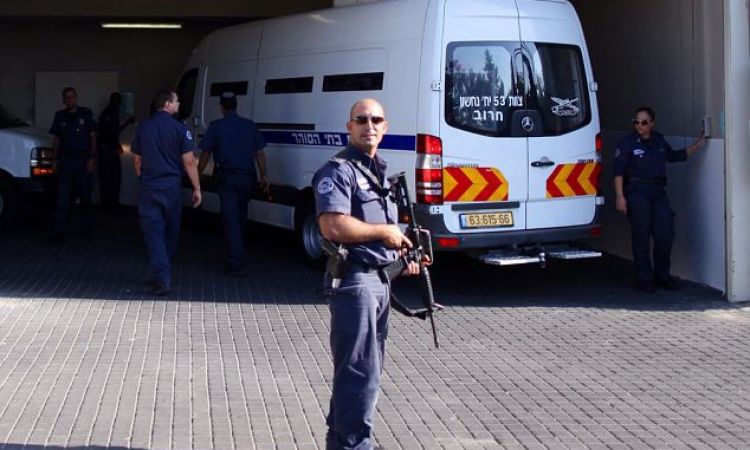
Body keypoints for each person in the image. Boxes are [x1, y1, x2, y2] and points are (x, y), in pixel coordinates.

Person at [313, 98, 422, 450]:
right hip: (355, 284)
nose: (369, 126)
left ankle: (341, 442)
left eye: (376, 120)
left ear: (385, 127)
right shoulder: (338, 171)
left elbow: (380, 235)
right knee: (359, 373)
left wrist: (402, 255)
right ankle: (355, 444)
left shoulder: (377, 172)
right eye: (361, 120)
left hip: (379, 281)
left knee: (364, 372)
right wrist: (384, 232)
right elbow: (333, 226)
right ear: (349, 127)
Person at [613, 106, 706, 292]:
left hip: (657, 192)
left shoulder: (659, 140)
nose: (639, 125)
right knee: (641, 236)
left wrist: (698, 144)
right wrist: (620, 197)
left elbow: (674, 156)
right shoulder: (626, 143)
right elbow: (618, 173)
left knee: (665, 234)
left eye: (644, 122)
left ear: (652, 123)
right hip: (637, 192)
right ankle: (644, 278)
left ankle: (662, 274)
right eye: (636, 122)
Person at [131, 89, 201, 295]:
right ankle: (163, 271)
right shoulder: (180, 128)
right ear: (167, 104)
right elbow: (189, 161)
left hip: (150, 187)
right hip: (172, 188)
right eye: (176, 101)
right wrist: (197, 188)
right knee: (171, 229)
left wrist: (142, 178)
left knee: (153, 232)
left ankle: (161, 273)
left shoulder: (143, 127)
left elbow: (137, 160)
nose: (179, 104)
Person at [197, 92, 268, 276]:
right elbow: (259, 153)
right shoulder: (249, 125)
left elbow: (205, 153)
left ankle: (236, 263)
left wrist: (197, 174)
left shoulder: (216, 126)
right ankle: (237, 254)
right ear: (236, 105)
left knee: (231, 220)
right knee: (240, 217)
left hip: (227, 179)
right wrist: (264, 176)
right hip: (247, 179)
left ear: (221, 107)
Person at [49, 87, 97, 242]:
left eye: (72, 97)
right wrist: (54, 160)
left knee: (85, 196)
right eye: (67, 97)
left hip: (82, 161)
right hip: (66, 162)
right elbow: (57, 139)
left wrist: (91, 158)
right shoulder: (60, 116)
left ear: (76, 98)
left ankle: (87, 229)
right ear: (64, 100)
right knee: (63, 198)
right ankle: (59, 231)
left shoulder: (85, 114)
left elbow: (93, 137)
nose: (70, 100)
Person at [97, 92, 134, 209]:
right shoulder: (109, 113)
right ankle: (108, 204)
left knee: (113, 176)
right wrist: (127, 123)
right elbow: (112, 131)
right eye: (119, 102)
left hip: (110, 148)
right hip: (107, 149)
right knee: (109, 177)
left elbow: (110, 132)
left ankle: (111, 202)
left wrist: (117, 144)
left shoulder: (111, 113)